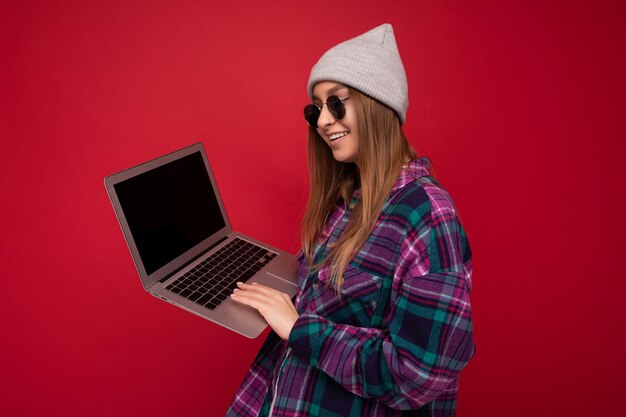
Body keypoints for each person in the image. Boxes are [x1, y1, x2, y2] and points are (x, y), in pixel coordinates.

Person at [226, 23, 474, 417]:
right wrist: (273, 291)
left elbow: (418, 374)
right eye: (316, 108)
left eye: (336, 103)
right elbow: (333, 308)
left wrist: (297, 328)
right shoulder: (346, 198)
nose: (323, 121)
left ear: (378, 106)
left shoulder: (428, 216)